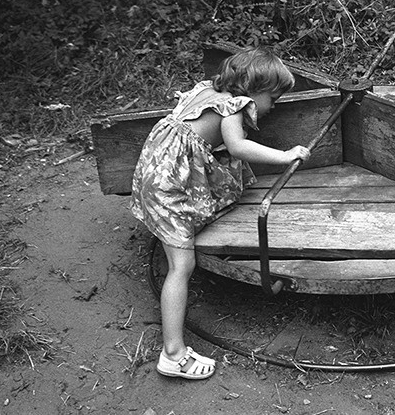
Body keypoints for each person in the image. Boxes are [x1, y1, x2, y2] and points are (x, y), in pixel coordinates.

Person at [130, 47, 311, 380]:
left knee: (221, 175)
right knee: (182, 267)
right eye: (274, 98)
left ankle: (173, 347)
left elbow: (196, 141)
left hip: (152, 173)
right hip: (169, 185)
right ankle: (173, 353)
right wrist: (285, 155)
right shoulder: (234, 106)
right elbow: (239, 146)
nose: (274, 107)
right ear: (254, 91)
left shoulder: (206, 91)